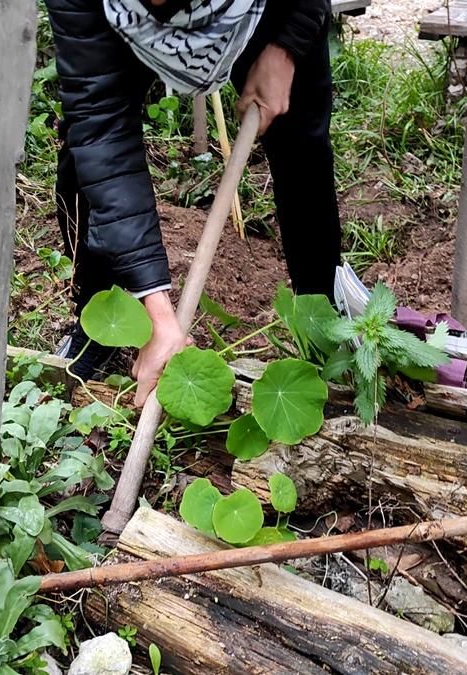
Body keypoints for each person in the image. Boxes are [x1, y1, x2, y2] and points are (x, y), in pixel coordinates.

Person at [48, 0, 342, 404]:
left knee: (302, 147)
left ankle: (321, 318)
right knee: (85, 160)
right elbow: (101, 126)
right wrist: (155, 311)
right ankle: (104, 315)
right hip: (121, 28)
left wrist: (285, 47)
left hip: (267, 10)